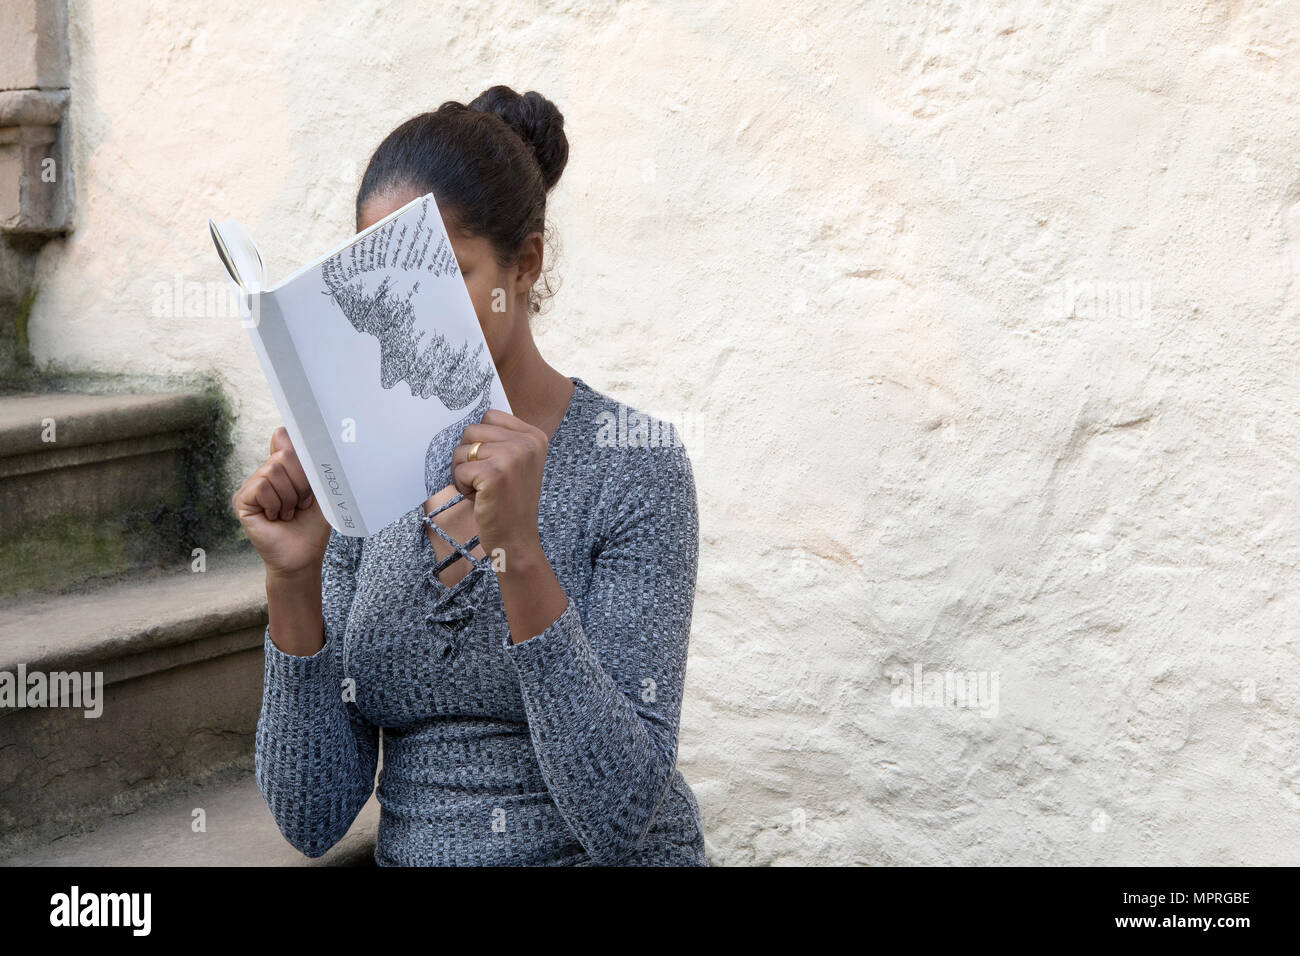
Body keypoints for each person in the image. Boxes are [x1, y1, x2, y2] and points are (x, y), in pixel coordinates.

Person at [231, 85, 707, 866]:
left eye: (445, 279)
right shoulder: (365, 475)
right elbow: (311, 816)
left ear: (524, 265)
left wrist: (519, 549)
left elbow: (621, 815)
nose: (413, 319)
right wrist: (293, 580)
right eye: (389, 291)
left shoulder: (633, 465)